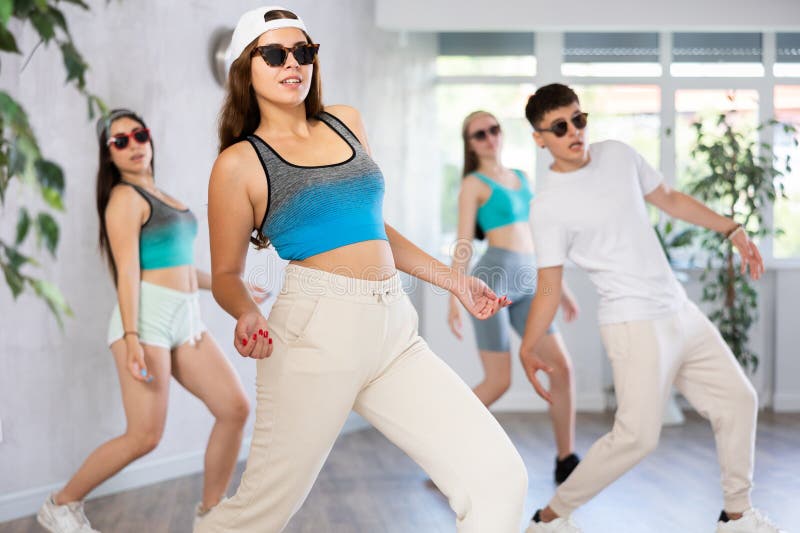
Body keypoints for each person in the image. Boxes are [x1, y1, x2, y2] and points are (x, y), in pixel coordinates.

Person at [195, 7, 530, 533]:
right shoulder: (238, 163)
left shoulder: (345, 121)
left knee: (499, 478)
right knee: (258, 516)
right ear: (246, 66)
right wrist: (244, 314)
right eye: (276, 53)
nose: (293, 63)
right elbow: (225, 275)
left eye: (304, 51)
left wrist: (454, 281)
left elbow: (374, 228)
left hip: (393, 327)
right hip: (313, 335)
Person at [519, 84, 784, 533]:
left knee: (739, 400)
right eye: (560, 127)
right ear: (540, 137)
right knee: (637, 437)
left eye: (579, 119)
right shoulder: (548, 207)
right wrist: (529, 346)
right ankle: (548, 519)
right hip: (632, 323)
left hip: (678, 310)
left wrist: (733, 229)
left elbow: (670, 198)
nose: (574, 132)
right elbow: (549, 283)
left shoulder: (619, 156)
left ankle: (736, 517)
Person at [37, 109, 254, 533]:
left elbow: (181, 269)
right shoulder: (124, 200)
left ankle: (211, 517)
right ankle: (61, 504)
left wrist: (235, 286)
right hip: (146, 321)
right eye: (120, 141)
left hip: (185, 319)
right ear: (109, 156)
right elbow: (129, 274)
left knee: (234, 408)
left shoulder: (162, 195)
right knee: (145, 436)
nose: (134, 144)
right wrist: (133, 338)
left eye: (139, 134)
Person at [449, 110, 581, 483]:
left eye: (494, 130)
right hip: (492, 281)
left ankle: (565, 458)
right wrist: (453, 292)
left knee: (563, 368)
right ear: (470, 144)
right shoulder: (473, 184)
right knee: (499, 381)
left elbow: (543, 239)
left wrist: (563, 289)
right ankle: (441, 449)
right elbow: (463, 243)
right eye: (479, 134)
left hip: (529, 284)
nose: (489, 138)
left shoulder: (522, 179)